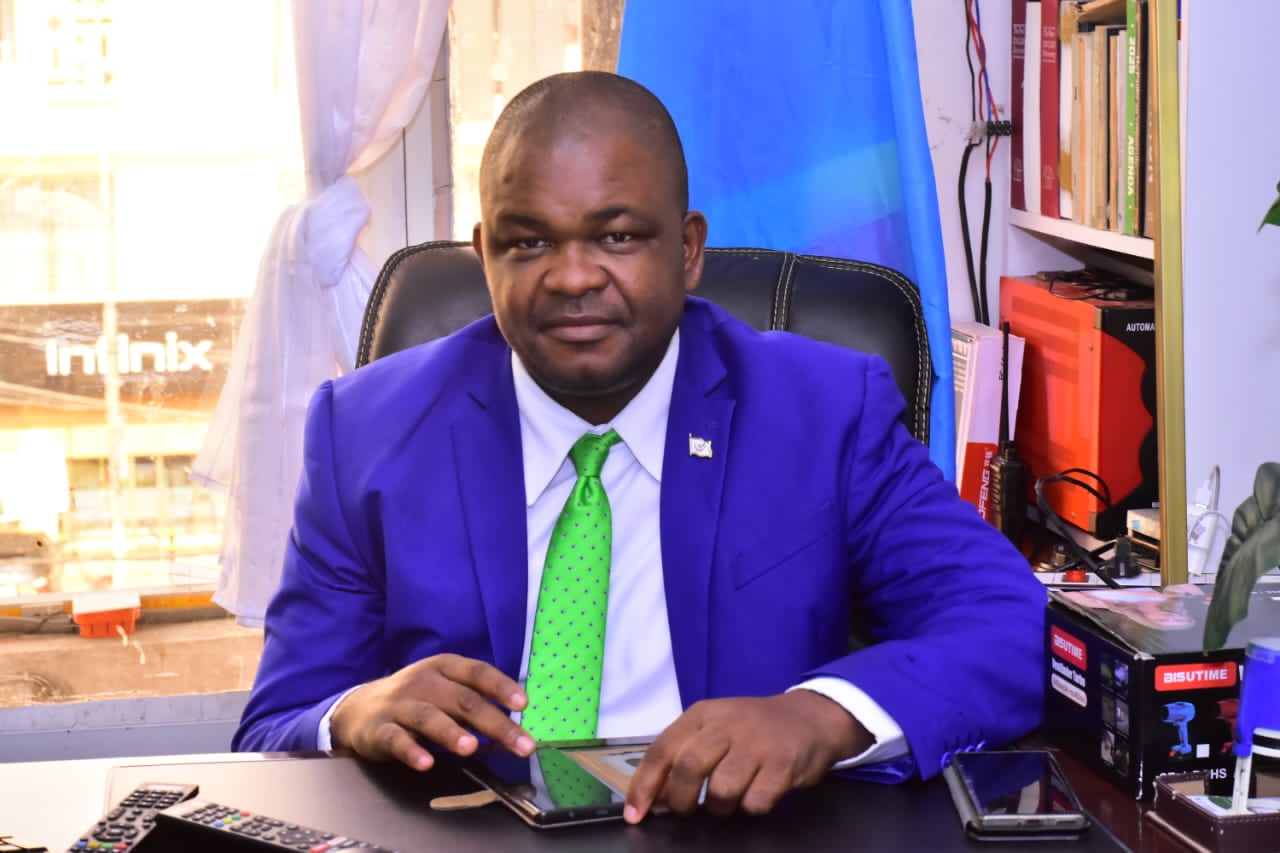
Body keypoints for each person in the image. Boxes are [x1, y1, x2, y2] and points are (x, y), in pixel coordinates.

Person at [233, 70, 1048, 822]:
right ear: (484, 256)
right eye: (528, 242)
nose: (572, 276)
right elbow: (275, 727)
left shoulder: (823, 413)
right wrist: (354, 712)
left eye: (617, 236)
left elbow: (1005, 624)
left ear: (687, 250)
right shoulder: (364, 430)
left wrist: (820, 714)